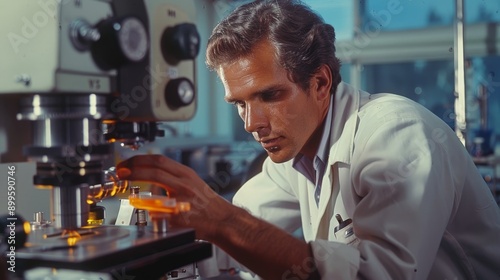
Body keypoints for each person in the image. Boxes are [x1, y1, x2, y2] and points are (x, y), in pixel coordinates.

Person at [116, 0, 500, 279]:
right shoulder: (299, 151)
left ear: (319, 83)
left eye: (268, 96)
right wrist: (153, 244)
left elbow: (380, 276)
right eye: (239, 104)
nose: (252, 123)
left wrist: (223, 220)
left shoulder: (396, 134)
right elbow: (244, 224)